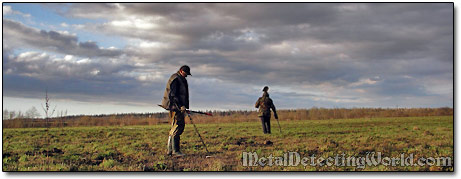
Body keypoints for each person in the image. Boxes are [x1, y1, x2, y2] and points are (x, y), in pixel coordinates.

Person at [161, 65, 191, 156]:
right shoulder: (175, 79)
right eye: (186, 73)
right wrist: (180, 106)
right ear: (181, 71)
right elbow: (173, 95)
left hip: (179, 107)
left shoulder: (181, 79)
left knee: (176, 127)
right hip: (175, 107)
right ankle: (175, 151)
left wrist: (185, 106)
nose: (186, 75)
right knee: (177, 126)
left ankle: (170, 151)